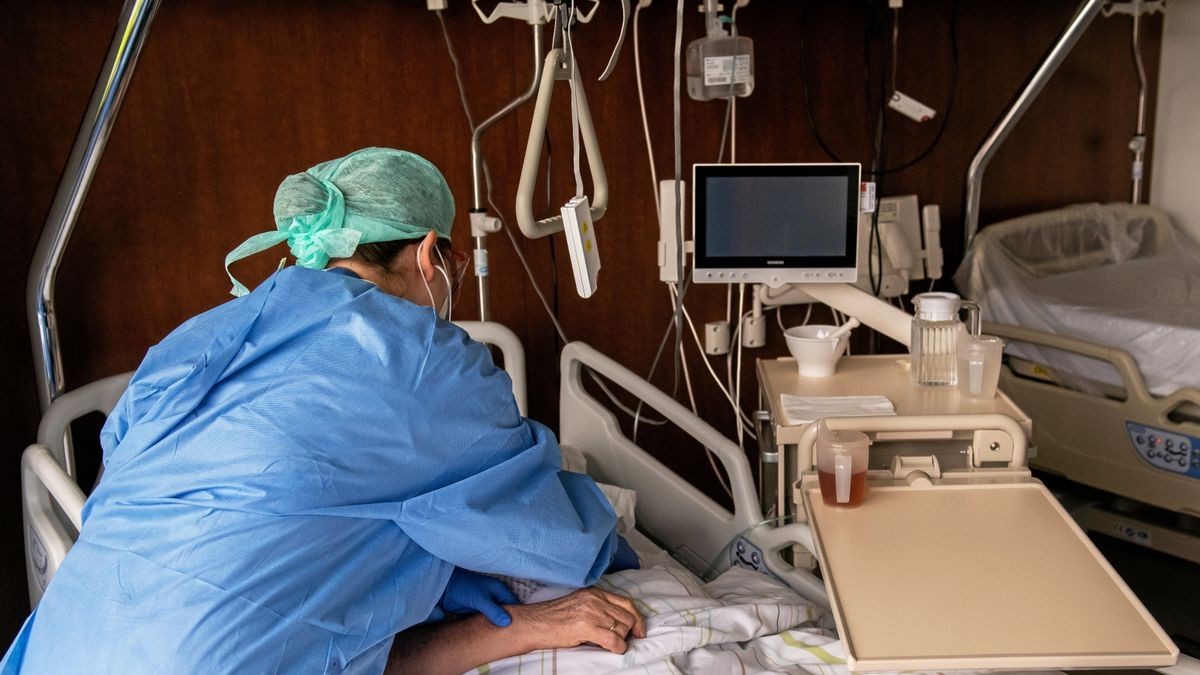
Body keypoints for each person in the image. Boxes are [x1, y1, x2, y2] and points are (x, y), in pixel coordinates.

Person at [2, 147, 641, 674]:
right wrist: (603, 533)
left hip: (66, 644)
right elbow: (548, 537)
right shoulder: (426, 360)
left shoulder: (205, 330)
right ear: (428, 255)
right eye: (452, 261)